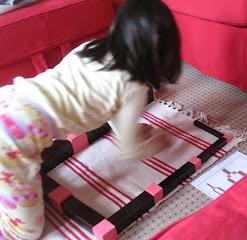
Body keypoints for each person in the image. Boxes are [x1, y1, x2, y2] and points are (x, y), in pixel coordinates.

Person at [0, 0, 181, 238]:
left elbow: (110, 110)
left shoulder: (90, 48)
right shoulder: (134, 87)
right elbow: (129, 150)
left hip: (10, 97)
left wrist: (132, 130)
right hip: (15, 136)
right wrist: (159, 142)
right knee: (27, 232)